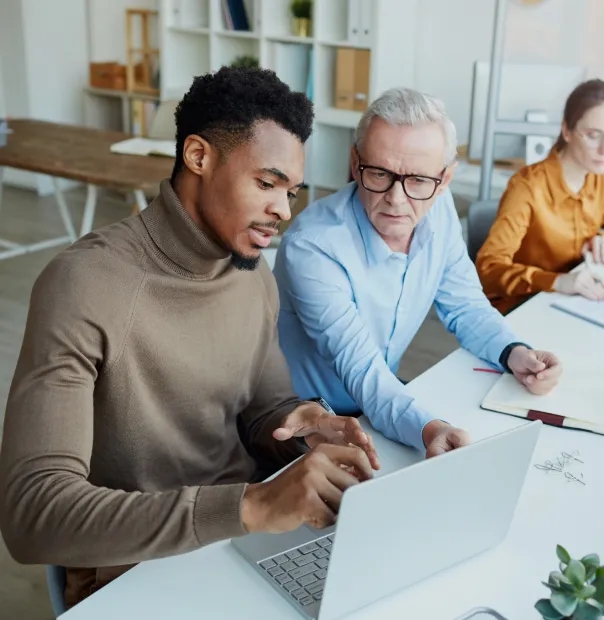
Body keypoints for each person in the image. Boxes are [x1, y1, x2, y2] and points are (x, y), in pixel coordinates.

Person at [0, 67, 378, 609]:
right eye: (266, 184)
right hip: (133, 570)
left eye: (290, 191)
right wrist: (251, 507)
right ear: (199, 157)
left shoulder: (253, 274)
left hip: (242, 541)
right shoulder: (83, 283)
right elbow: (32, 514)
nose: (283, 210)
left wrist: (304, 429)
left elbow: (265, 407)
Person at [273, 87, 563, 458]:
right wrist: (428, 428)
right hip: (307, 423)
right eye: (379, 173)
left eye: (419, 181)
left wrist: (516, 353)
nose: (396, 199)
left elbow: (466, 307)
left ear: (444, 180)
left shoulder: (437, 213)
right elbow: (362, 370)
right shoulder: (313, 246)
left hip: (382, 404)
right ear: (354, 161)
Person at [475, 79, 604, 314]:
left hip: (571, 301)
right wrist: (555, 281)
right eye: (593, 135)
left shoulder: (596, 180)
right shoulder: (527, 187)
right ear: (567, 131)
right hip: (520, 308)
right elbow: (488, 270)